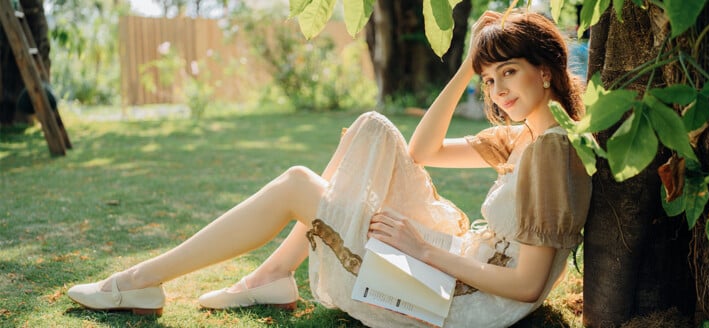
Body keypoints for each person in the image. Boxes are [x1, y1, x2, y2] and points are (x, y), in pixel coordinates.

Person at [67, 10, 591, 327]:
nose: (499, 90)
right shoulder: (523, 136)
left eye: (510, 73)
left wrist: (420, 249)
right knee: (372, 128)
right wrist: (464, 67)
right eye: (490, 79)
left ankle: (145, 280)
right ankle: (270, 275)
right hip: (462, 262)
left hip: (469, 303)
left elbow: (525, 285)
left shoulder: (548, 150)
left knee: (300, 184)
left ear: (545, 72)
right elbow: (422, 149)